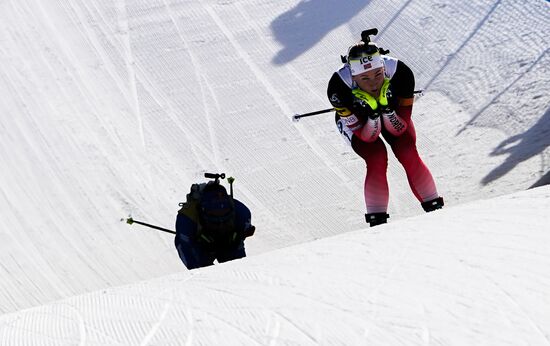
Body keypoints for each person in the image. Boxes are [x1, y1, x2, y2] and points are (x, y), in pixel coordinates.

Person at [327, 29, 444, 227]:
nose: (373, 83)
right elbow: (367, 138)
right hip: (358, 120)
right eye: (365, 78)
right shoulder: (338, 87)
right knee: (376, 156)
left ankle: (435, 208)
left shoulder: (401, 72)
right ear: (353, 77)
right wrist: (373, 116)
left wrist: (388, 111)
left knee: (407, 149)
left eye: (378, 74)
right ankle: (377, 222)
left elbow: (400, 129)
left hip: (391, 109)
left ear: (383, 66)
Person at [174, 175, 255, 269]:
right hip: (217, 245)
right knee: (237, 265)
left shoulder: (187, 215)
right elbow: (243, 232)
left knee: (179, 241)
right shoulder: (240, 209)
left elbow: (184, 245)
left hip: (217, 246)